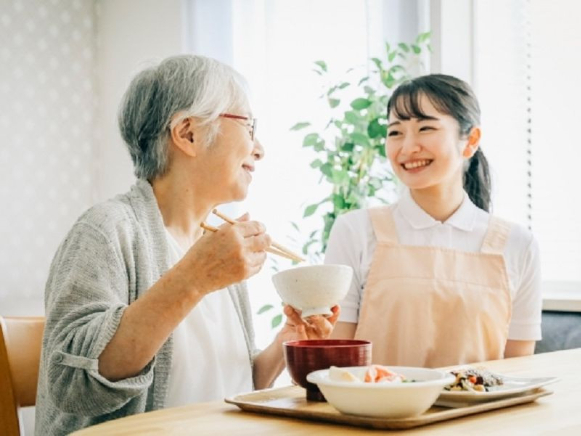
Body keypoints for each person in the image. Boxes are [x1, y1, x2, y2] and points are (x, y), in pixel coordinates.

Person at [35, 55, 339, 435]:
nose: (259, 149)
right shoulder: (107, 230)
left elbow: (229, 391)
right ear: (188, 134)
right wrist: (196, 278)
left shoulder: (214, 245)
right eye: (249, 126)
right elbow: (73, 387)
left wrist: (285, 342)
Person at [326, 74, 541, 367]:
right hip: (377, 410)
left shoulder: (518, 244)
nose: (408, 147)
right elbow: (338, 362)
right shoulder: (355, 231)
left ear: (471, 141)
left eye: (425, 128)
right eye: (395, 132)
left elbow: (519, 370)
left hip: (482, 413)